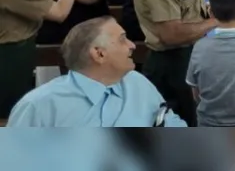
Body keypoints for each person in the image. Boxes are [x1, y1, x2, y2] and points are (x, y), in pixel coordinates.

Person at [7, 16, 187, 127]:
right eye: (123, 40)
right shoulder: (39, 106)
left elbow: (169, 124)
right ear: (99, 54)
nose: (132, 45)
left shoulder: (137, 83)